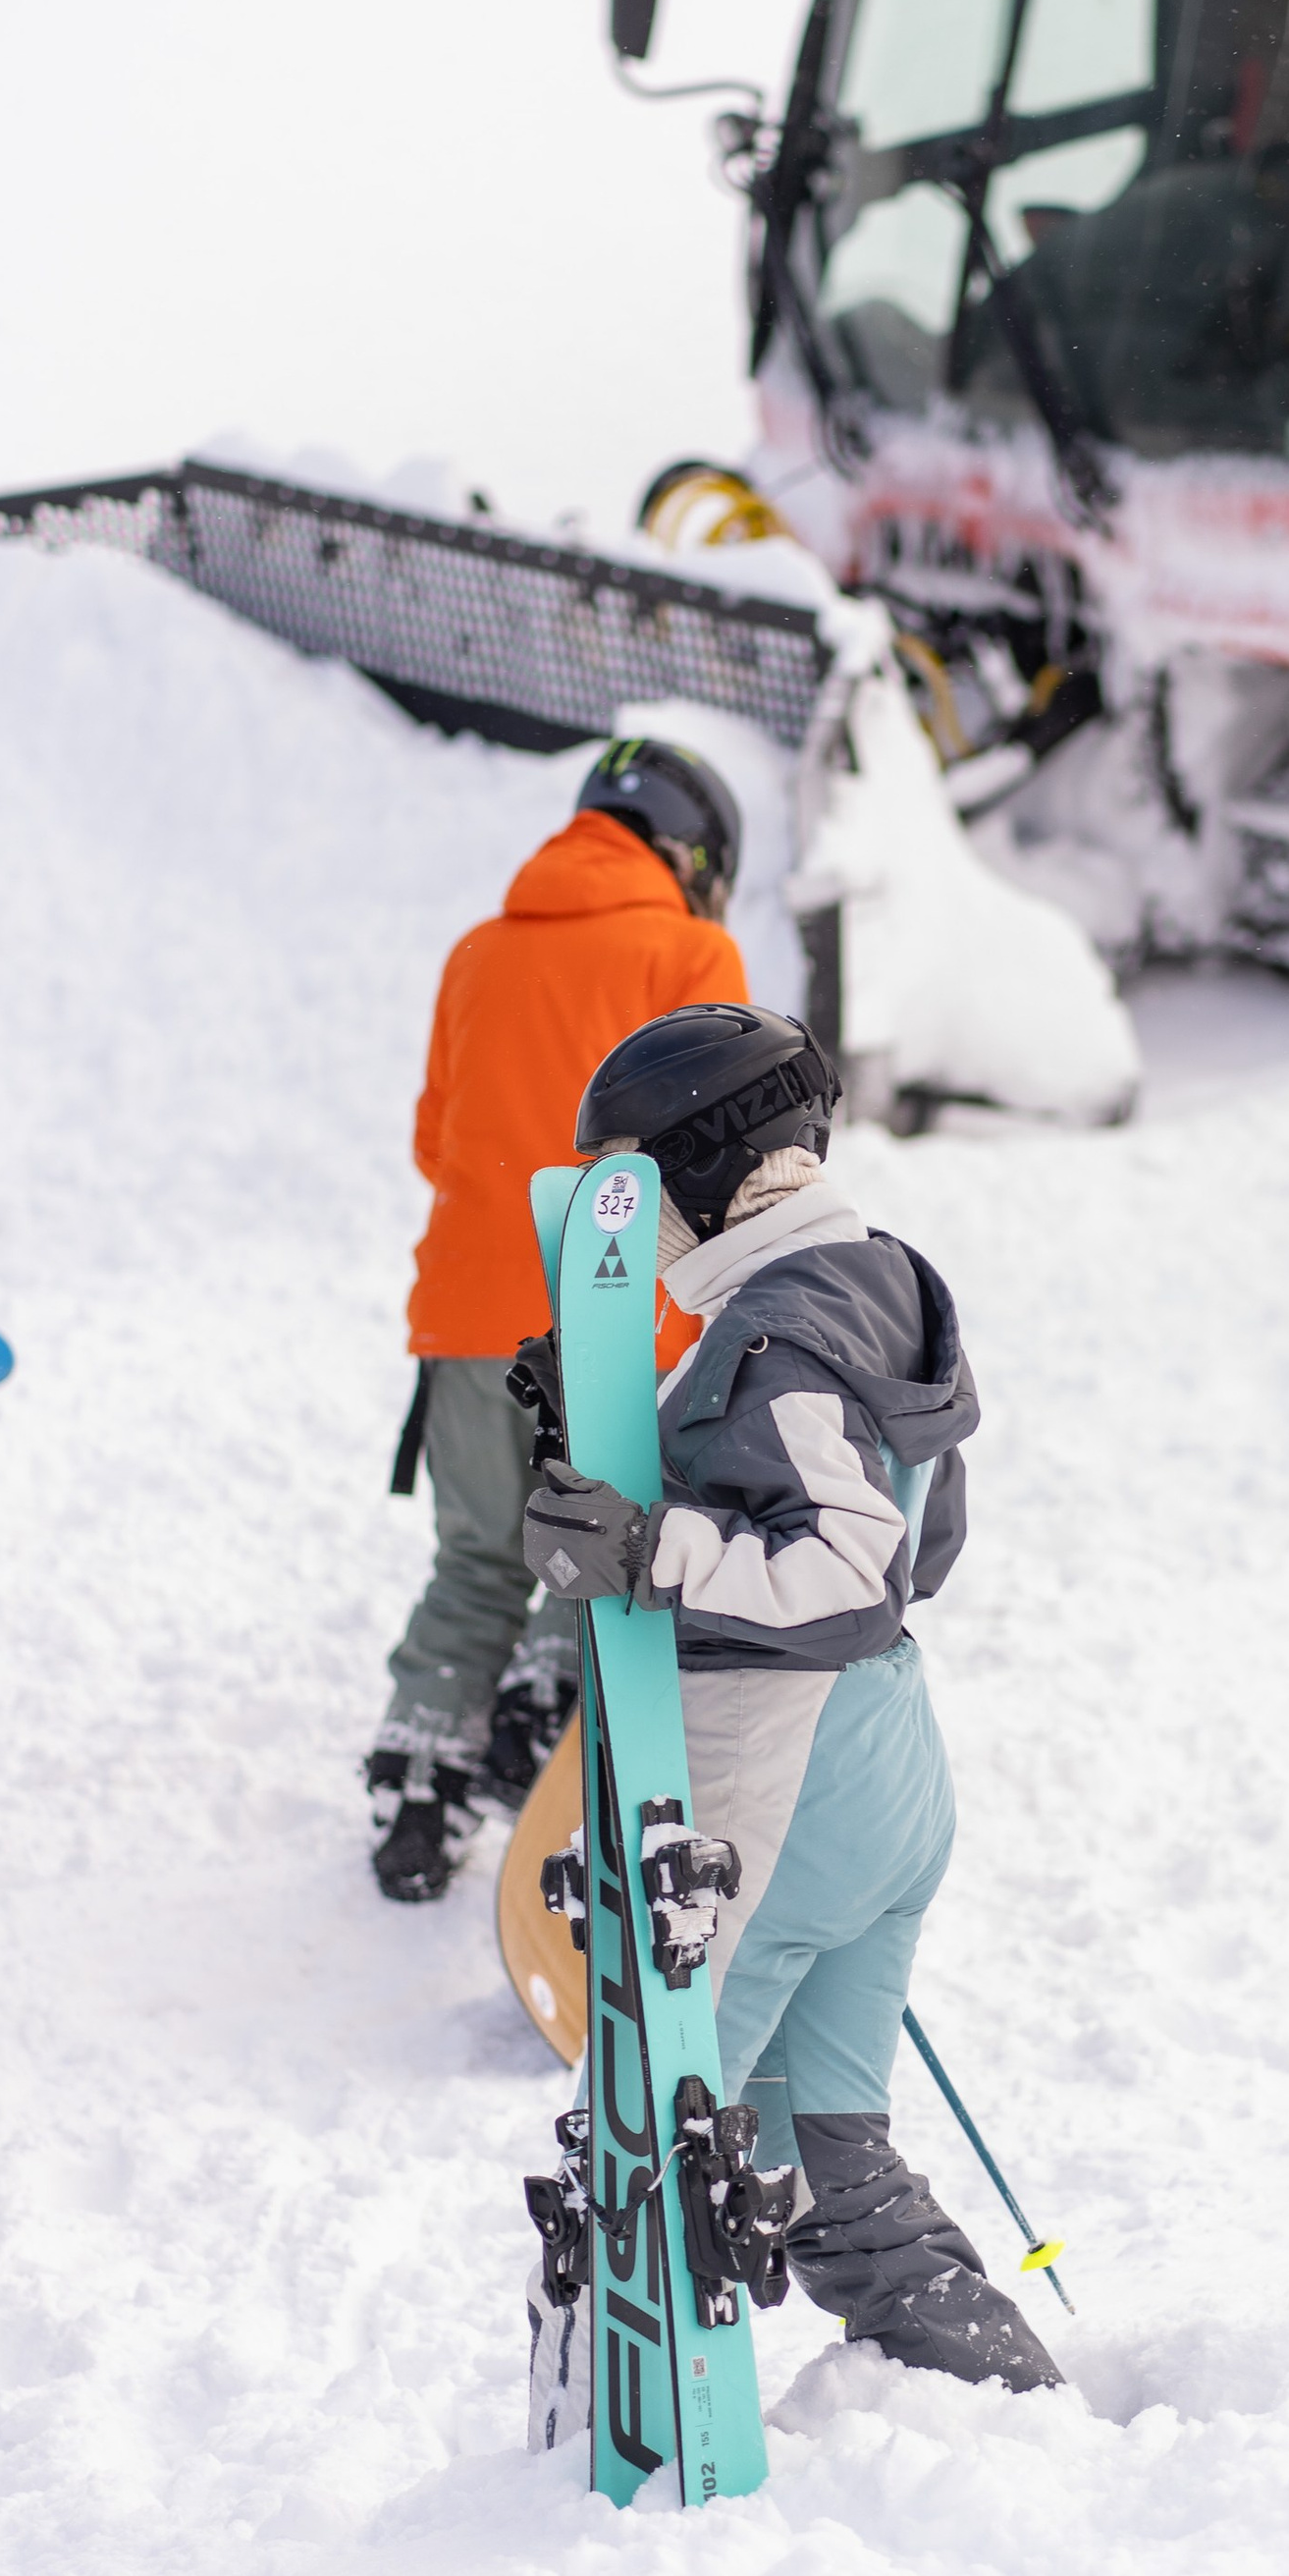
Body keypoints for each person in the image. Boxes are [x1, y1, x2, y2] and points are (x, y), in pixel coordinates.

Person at [520, 1001, 1063, 2394]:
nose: (636, 1234)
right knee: (826, 2148)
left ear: (708, 1166)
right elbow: (921, 1539)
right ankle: (998, 2399)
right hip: (887, 1773)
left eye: (639, 1189)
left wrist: (652, 1551)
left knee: (663, 2135)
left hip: (788, 1793)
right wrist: (617, 1448)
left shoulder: (774, 1336)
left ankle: (647, 2410)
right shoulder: (883, 1282)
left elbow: (846, 1568)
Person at [367, 737, 749, 1898]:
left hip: (462, 1323)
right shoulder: (692, 950)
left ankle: (419, 1776)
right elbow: (716, 1156)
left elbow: (437, 1141)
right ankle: (549, 1708)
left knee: (477, 1557)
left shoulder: (479, 951)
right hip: (606, 1320)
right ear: (690, 854)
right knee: (596, 1558)